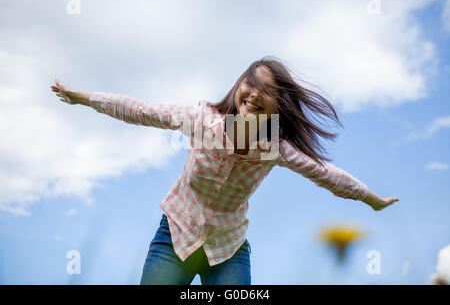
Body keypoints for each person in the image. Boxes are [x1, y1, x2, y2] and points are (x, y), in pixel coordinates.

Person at [50, 55, 400, 285]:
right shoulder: (202, 121)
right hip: (175, 238)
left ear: (277, 106)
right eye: (251, 84)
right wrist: (83, 97)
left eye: (267, 92)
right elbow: (142, 110)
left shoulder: (272, 149)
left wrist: (373, 200)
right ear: (238, 87)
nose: (254, 94)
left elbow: (326, 175)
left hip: (228, 252)